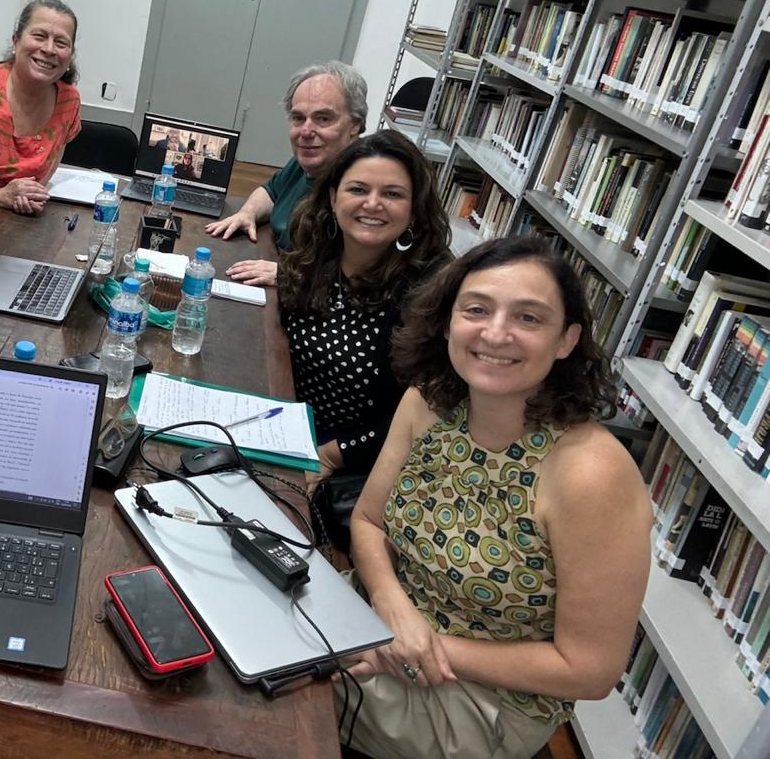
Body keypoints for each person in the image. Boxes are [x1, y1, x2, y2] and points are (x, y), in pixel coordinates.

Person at [342, 237, 652, 759]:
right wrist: (392, 608)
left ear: (566, 340)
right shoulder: (427, 403)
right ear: (447, 321)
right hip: (380, 623)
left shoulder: (591, 474)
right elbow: (369, 522)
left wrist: (420, 648)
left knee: (283, 700)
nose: (495, 333)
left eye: (528, 318)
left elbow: (590, 669)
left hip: (483, 696)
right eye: (477, 309)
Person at [279, 131, 450, 496]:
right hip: (285, 430)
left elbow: (425, 409)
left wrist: (332, 456)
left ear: (414, 208)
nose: (373, 204)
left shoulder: (429, 293)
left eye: (392, 194)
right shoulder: (315, 253)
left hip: (354, 464)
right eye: (358, 189)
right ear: (333, 197)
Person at [205, 61, 366, 286]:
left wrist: (289, 274)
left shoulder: (362, 187)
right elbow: (271, 192)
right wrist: (248, 212)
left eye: (323, 119)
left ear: (355, 125)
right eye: (298, 118)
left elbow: (361, 275)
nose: (306, 131)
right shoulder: (306, 162)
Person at [0, 0, 81, 215]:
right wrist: (1, 195)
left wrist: (26, 198)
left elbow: (43, 179)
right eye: (39, 36)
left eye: (61, 43)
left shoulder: (69, 101)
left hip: (23, 220)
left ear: (70, 55)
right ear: (16, 41)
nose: (49, 49)